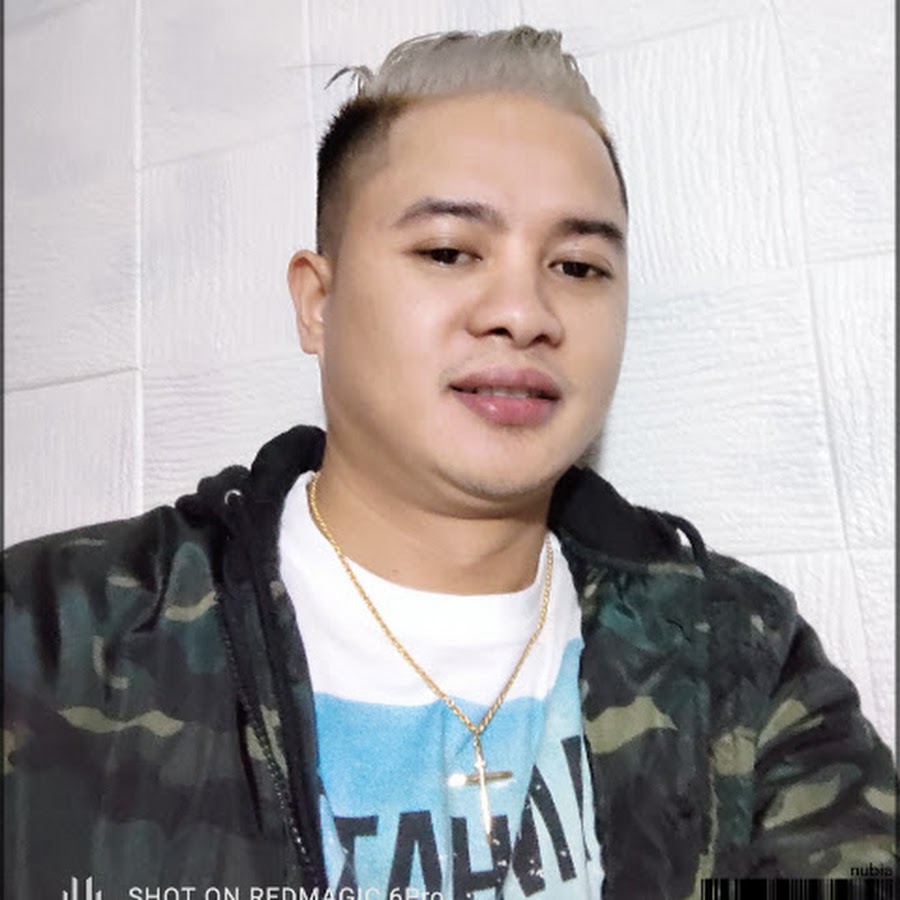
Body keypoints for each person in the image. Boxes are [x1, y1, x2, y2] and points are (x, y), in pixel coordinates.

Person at [4, 25, 896, 900]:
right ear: (317, 303)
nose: (524, 311)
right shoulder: (54, 638)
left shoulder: (735, 660)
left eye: (578, 266)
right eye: (447, 252)